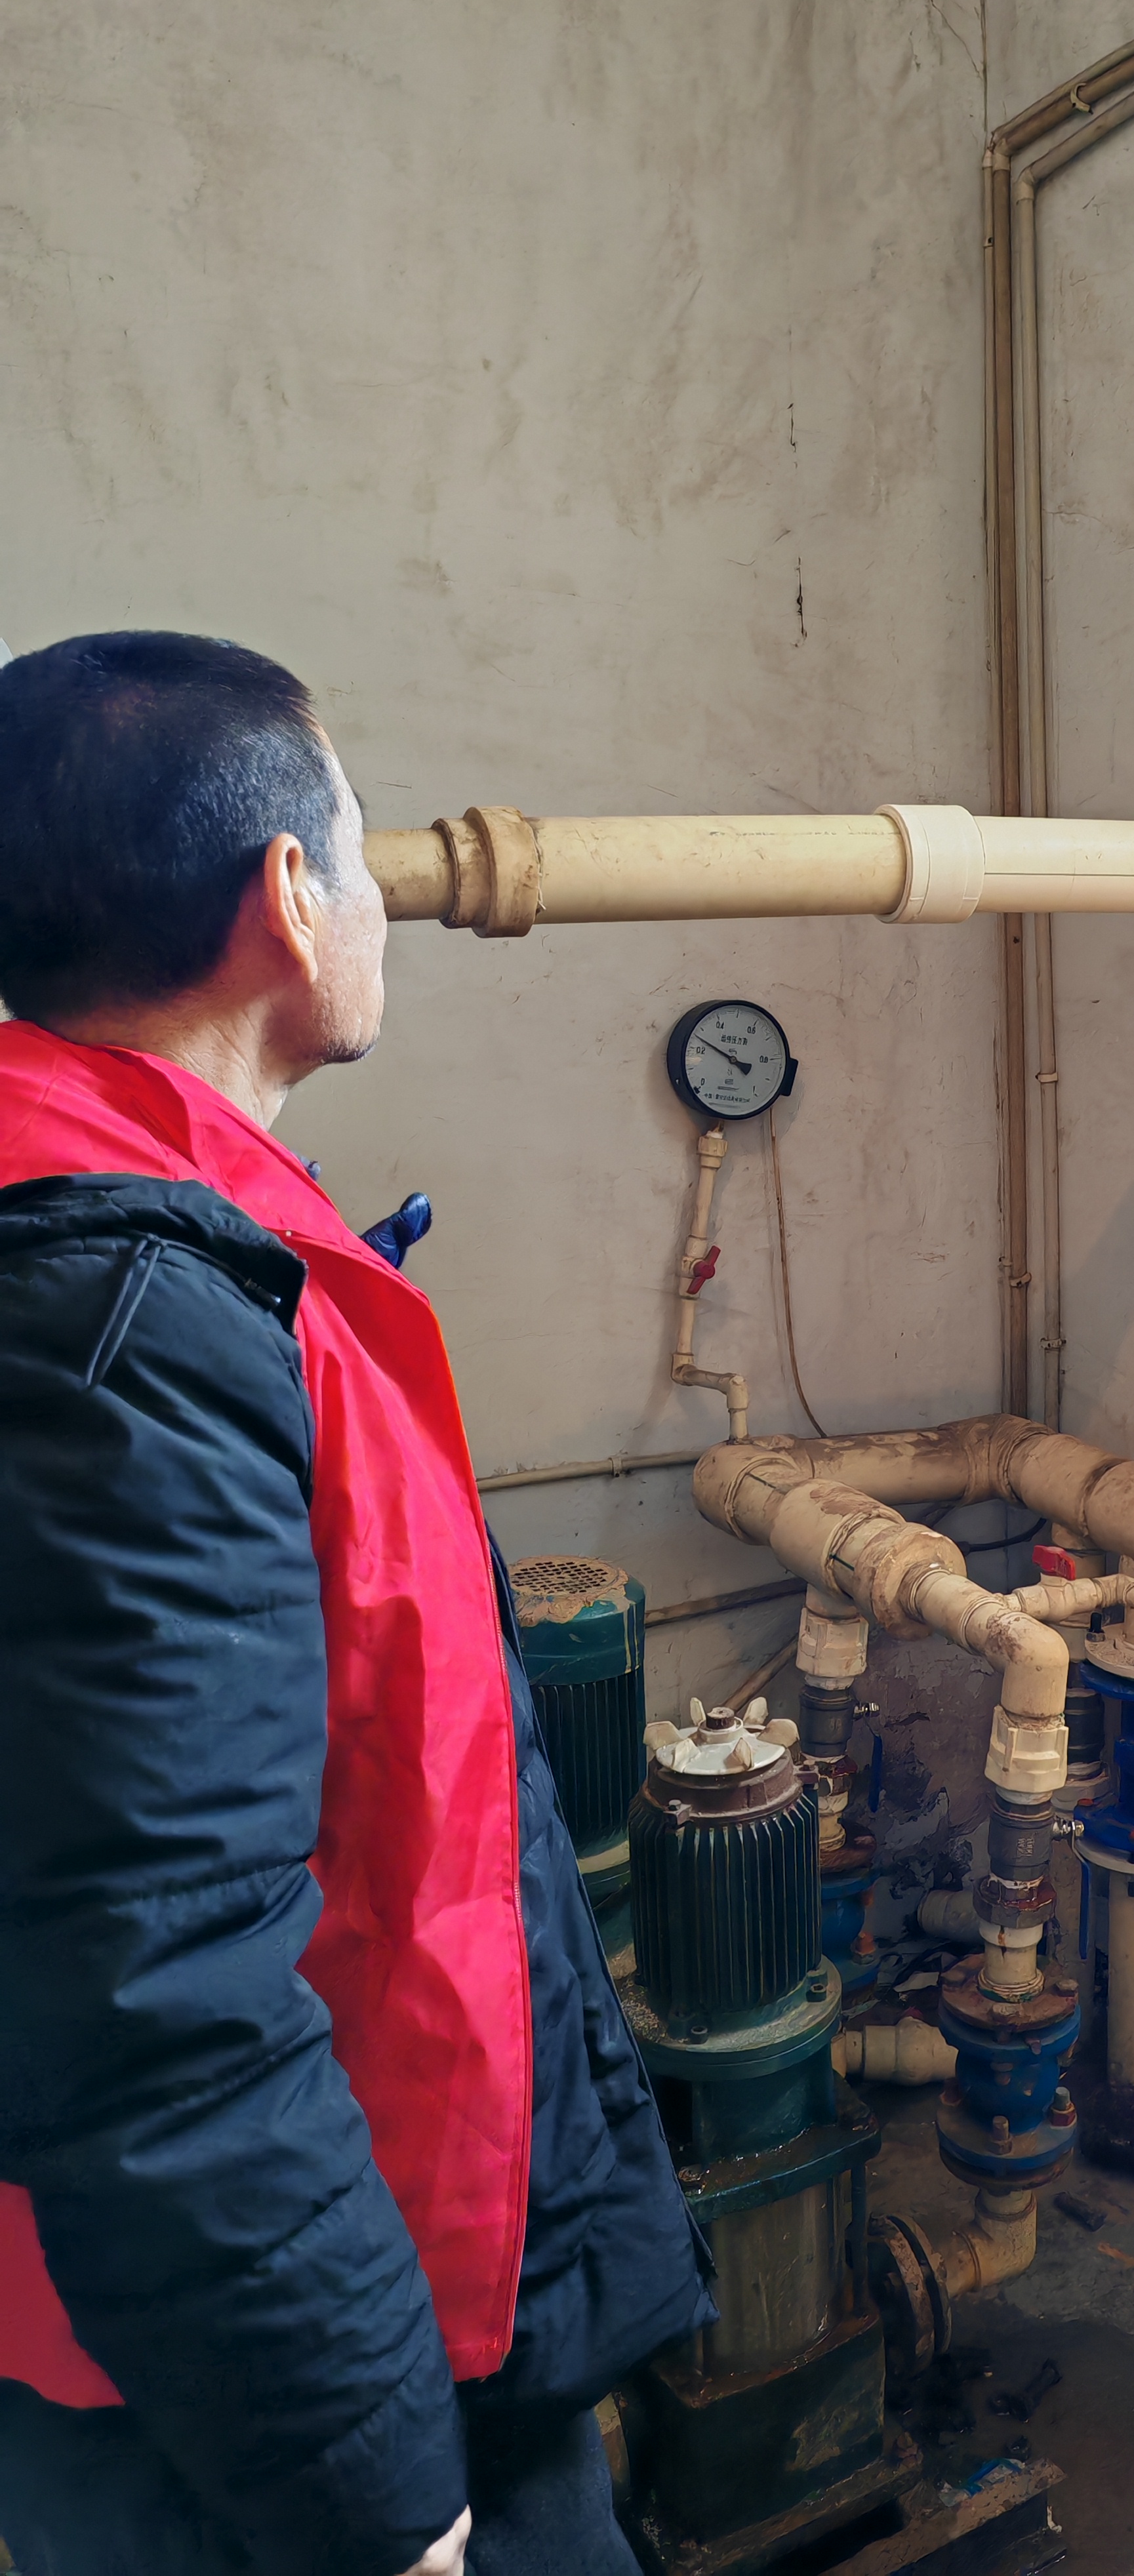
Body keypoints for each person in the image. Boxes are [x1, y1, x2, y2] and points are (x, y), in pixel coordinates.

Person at [0, 633, 712, 2576]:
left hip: (304, 2287)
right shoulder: (116, 1323)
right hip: (263, 2397)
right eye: (366, 850)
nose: (393, 900)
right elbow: (157, 1991)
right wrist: (379, 2494)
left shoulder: (146, 1228)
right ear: (288, 898)